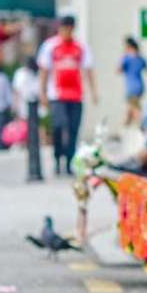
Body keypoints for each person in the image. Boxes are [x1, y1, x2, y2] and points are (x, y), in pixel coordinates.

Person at [37, 16, 97, 175]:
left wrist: (93, 92)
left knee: (73, 129)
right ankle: (57, 158)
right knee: (58, 125)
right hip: (57, 95)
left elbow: (88, 69)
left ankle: (70, 160)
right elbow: (44, 70)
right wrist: (42, 93)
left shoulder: (80, 47)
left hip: (76, 95)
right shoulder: (51, 46)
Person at [118, 36, 147, 126]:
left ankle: (143, 127)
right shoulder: (140, 58)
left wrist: (123, 56)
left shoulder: (126, 59)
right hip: (140, 87)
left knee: (135, 110)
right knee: (130, 110)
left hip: (131, 88)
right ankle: (123, 129)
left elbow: (118, 70)